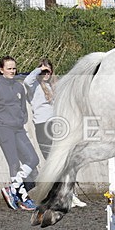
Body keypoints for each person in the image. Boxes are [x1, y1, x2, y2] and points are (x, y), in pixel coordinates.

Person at [23, 57, 86, 208]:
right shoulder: (34, 86)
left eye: (48, 70)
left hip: (56, 125)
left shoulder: (54, 85)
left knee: (64, 160)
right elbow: (26, 81)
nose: (46, 73)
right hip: (42, 125)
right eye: (43, 70)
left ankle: (70, 194)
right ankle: (56, 195)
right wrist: (40, 70)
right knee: (52, 162)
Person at [0, 56, 40, 211]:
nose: (12, 71)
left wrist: (21, 120)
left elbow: (22, 108)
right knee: (14, 163)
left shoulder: (19, 87)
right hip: (4, 129)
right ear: (1, 70)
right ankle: (24, 198)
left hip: (18, 128)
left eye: (14, 68)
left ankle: (13, 189)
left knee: (33, 159)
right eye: (9, 68)